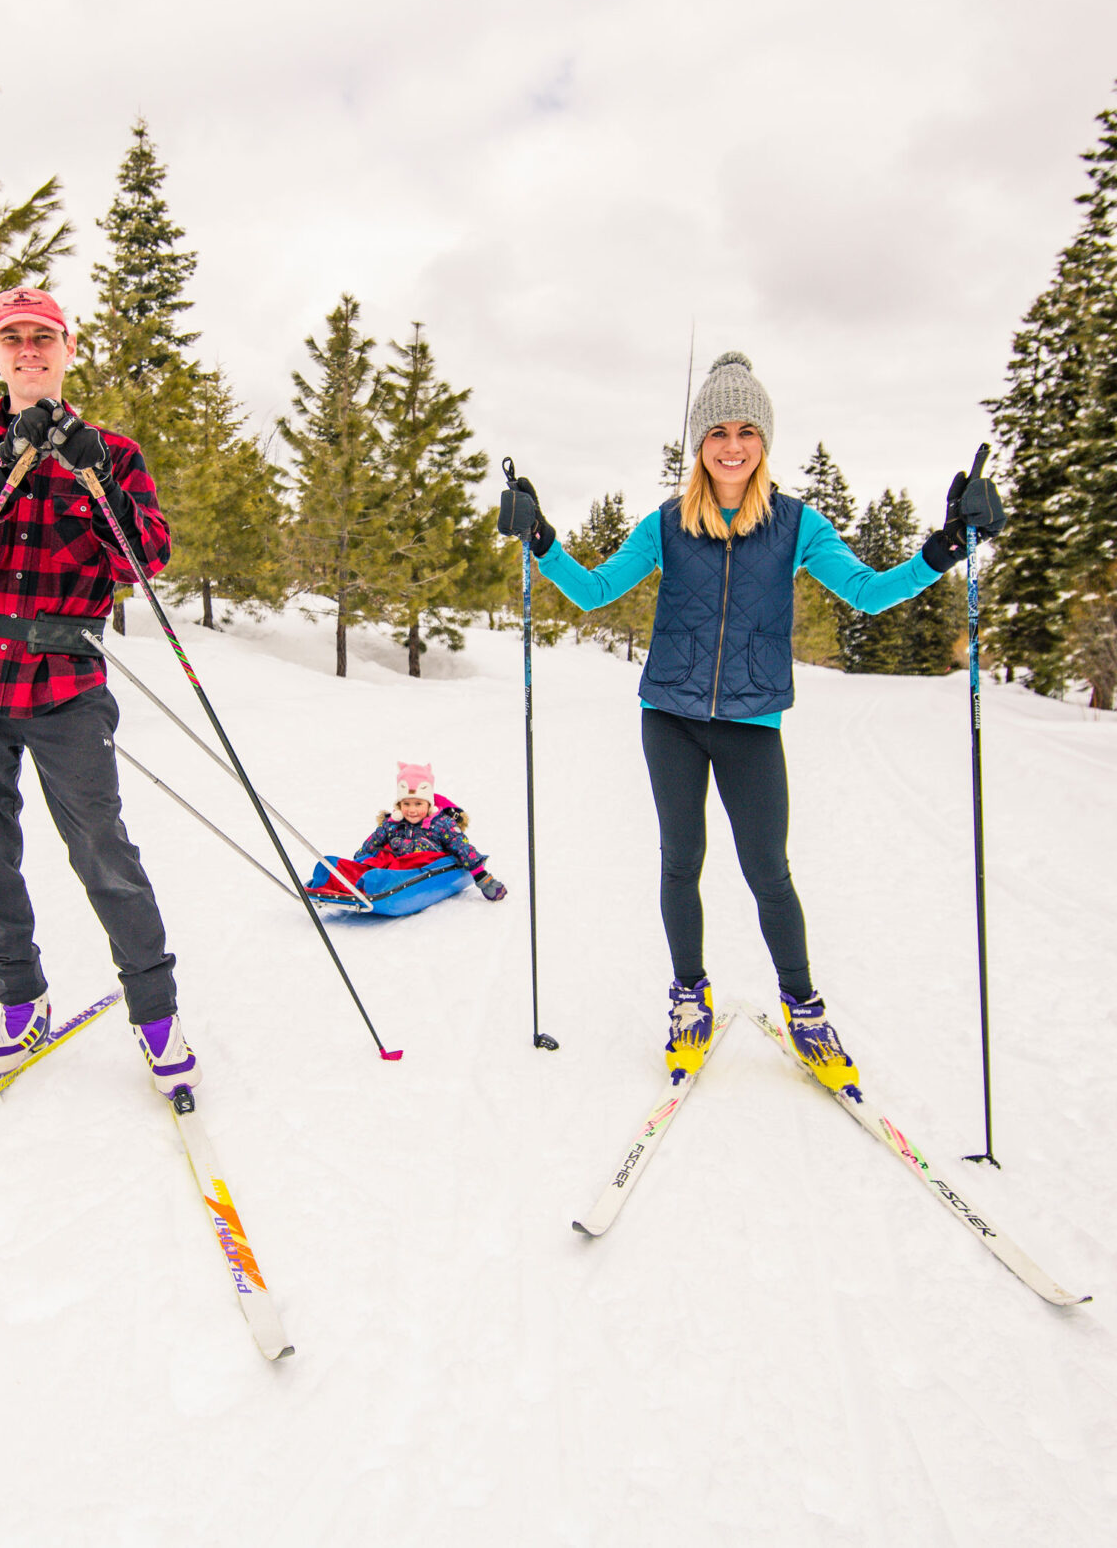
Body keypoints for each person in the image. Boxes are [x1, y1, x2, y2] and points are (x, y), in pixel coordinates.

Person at [502, 351, 1004, 1090]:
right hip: (668, 717)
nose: (732, 444)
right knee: (682, 861)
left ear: (764, 440)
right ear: (699, 442)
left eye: (746, 429)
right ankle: (688, 997)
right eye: (717, 431)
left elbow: (867, 592)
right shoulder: (669, 523)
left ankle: (804, 1010)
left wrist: (944, 548)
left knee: (769, 870)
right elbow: (595, 591)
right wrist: (541, 538)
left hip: (752, 723)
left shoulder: (797, 525)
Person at [0, 285, 198, 1100]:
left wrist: (95, 475)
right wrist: (8, 464)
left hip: (65, 683)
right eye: (14, 338)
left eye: (45, 337)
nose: (29, 349)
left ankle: (156, 1013)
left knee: (102, 848)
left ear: (70, 350)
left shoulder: (116, 452)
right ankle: (20, 1003)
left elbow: (145, 558)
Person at [353, 762, 509, 901]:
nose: (412, 810)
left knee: (405, 855)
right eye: (406, 804)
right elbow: (373, 841)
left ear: (429, 804)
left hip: (419, 867)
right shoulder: (393, 823)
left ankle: (375, 882)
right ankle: (358, 878)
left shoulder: (441, 824)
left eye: (418, 804)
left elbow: (461, 847)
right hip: (394, 865)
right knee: (382, 853)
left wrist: (482, 877)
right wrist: (356, 862)